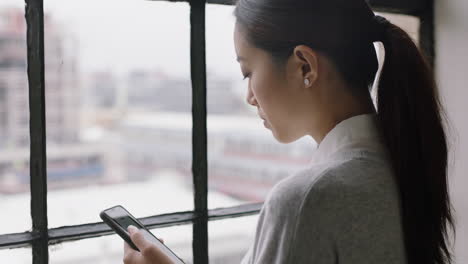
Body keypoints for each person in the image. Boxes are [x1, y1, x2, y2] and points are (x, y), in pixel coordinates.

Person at [122, 0, 456, 263]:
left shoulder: (308, 198)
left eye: (247, 71)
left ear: (304, 66)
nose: (249, 96)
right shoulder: (406, 164)